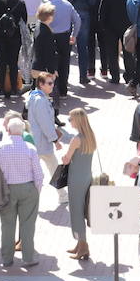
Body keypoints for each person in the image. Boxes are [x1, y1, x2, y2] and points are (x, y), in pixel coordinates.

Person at [0, 117, 44, 269]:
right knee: (28, 224)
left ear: (8, 130)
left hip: (7, 189)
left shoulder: (0, 147)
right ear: (23, 131)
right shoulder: (30, 148)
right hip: (28, 188)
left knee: (7, 224)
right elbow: (39, 174)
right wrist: (37, 190)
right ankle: (28, 257)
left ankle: (6, 258)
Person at [61, 107, 98, 260]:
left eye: (71, 119)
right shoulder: (90, 136)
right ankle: (79, 244)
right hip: (87, 177)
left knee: (76, 212)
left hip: (75, 178)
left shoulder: (76, 139)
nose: (69, 121)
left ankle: (83, 246)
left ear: (77, 120)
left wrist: (64, 156)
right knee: (82, 209)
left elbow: (66, 159)